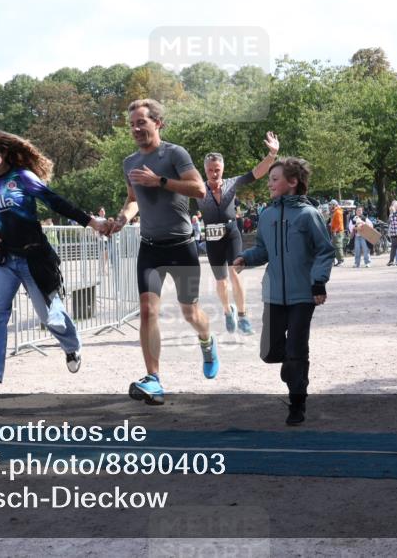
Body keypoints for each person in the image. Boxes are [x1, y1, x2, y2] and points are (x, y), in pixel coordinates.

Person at [0, 129, 110, 399]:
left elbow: (57, 203)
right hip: (4, 259)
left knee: (49, 315)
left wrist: (92, 222)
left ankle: (71, 345)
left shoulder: (22, 178)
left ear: (4, 153)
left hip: (34, 257)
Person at [107, 99, 215, 405]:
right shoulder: (129, 162)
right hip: (150, 248)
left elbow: (200, 189)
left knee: (189, 311)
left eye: (141, 122)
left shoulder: (175, 153)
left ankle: (206, 342)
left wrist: (161, 181)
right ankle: (153, 379)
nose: (136, 129)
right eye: (132, 124)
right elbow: (133, 199)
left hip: (182, 246)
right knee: (147, 310)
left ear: (158, 123)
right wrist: (122, 218)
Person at [232, 157, 334, 425]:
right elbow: (264, 250)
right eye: (268, 180)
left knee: (296, 351)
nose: (269, 184)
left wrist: (319, 282)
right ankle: (293, 369)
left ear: (293, 182)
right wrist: (246, 258)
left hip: (303, 295)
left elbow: (325, 251)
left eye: (274, 179)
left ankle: (297, 404)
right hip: (273, 295)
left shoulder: (309, 215)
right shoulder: (266, 215)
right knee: (269, 353)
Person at [199, 132, 280, 335]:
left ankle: (243, 316)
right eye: (210, 170)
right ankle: (228, 311)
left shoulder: (231, 183)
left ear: (222, 168)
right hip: (212, 238)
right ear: (205, 170)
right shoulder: (198, 188)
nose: (214, 173)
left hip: (232, 233)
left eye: (217, 169)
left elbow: (256, 173)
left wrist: (272, 155)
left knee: (235, 272)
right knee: (221, 281)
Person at [329, 200, 346, 266]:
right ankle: (337, 260)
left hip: (337, 232)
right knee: (334, 246)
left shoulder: (338, 212)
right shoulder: (335, 212)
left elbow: (339, 223)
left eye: (331, 205)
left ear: (334, 205)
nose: (330, 206)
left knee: (338, 246)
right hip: (335, 231)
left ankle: (341, 260)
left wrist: (335, 230)